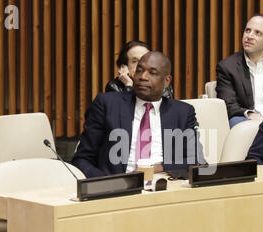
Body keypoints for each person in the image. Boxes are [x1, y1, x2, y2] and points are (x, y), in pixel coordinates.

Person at [73, 51, 203, 178]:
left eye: (152, 73)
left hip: (164, 185)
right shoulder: (108, 104)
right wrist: (110, 183)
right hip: (117, 190)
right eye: (139, 70)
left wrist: (159, 167)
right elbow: (82, 159)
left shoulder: (182, 112)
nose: (143, 77)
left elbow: (196, 159)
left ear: (166, 81)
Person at [105, 40, 174, 99]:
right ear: (124, 67)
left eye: (145, 59)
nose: (142, 64)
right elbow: (126, 112)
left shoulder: (161, 83)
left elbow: (166, 112)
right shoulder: (114, 87)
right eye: (134, 61)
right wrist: (129, 86)